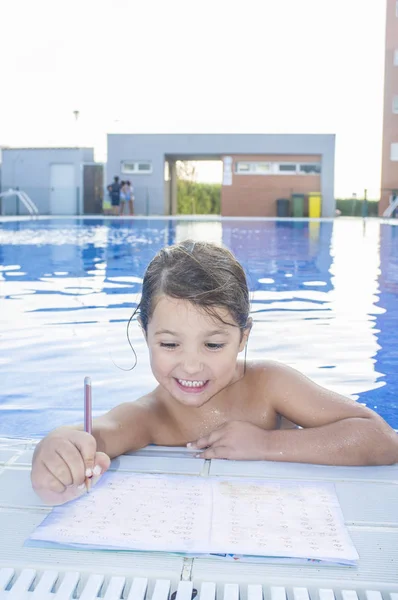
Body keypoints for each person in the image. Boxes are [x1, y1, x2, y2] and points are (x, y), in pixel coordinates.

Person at [31, 240, 398, 505]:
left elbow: (382, 440)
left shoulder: (270, 385)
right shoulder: (152, 416)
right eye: (170, 345)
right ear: (146, 336)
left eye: (213, 345)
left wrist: (267, 445)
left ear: (243, 338)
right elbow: (97, 435)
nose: (191, 366)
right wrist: (57, 448)